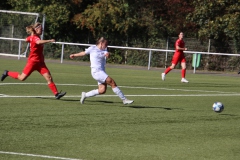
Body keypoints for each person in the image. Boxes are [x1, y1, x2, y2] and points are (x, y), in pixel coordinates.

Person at [1, 22, 66, 99]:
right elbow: (38, 42)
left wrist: (30, 38)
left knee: (49, 78)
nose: (42, 30)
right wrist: (50, 40)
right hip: (32, 62)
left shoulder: (34, 37)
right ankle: (7, 73)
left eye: (42, 29)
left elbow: (26, 39)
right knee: (22, 78)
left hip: (41, 63)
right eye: (41, 29)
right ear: (36, 29)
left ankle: (56, 94)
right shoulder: (36, 38)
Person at [69, 37, 134, 105]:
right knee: (112, 82)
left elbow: (107, 54)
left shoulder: (104, 49)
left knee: (102, 90)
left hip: (101, 72)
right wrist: (74, 55)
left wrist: (108, 55)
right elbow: (84, 53)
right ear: (101, 43)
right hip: (96, 72)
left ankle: (85, 95)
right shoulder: (92, 48)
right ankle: (124, 99)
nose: (107, 46)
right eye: (106, 44)